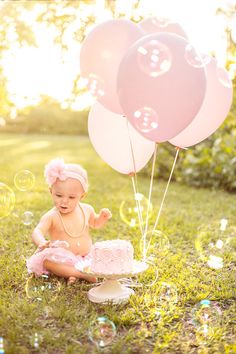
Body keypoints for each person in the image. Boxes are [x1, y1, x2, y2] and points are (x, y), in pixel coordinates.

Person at [27, 158, 112, 284]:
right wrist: (41, 241)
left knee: (103, 255)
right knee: (47, 262)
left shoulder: (87, 209)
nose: (64, 201)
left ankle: (71, 273)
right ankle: (79, 273)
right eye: (59, 195)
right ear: (51, 192)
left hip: (86, 255)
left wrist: (102, 218)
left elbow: (95, 224)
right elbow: (37, 230)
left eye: (71, 197)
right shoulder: (52, 216)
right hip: (63, 257)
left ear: (82, 196)